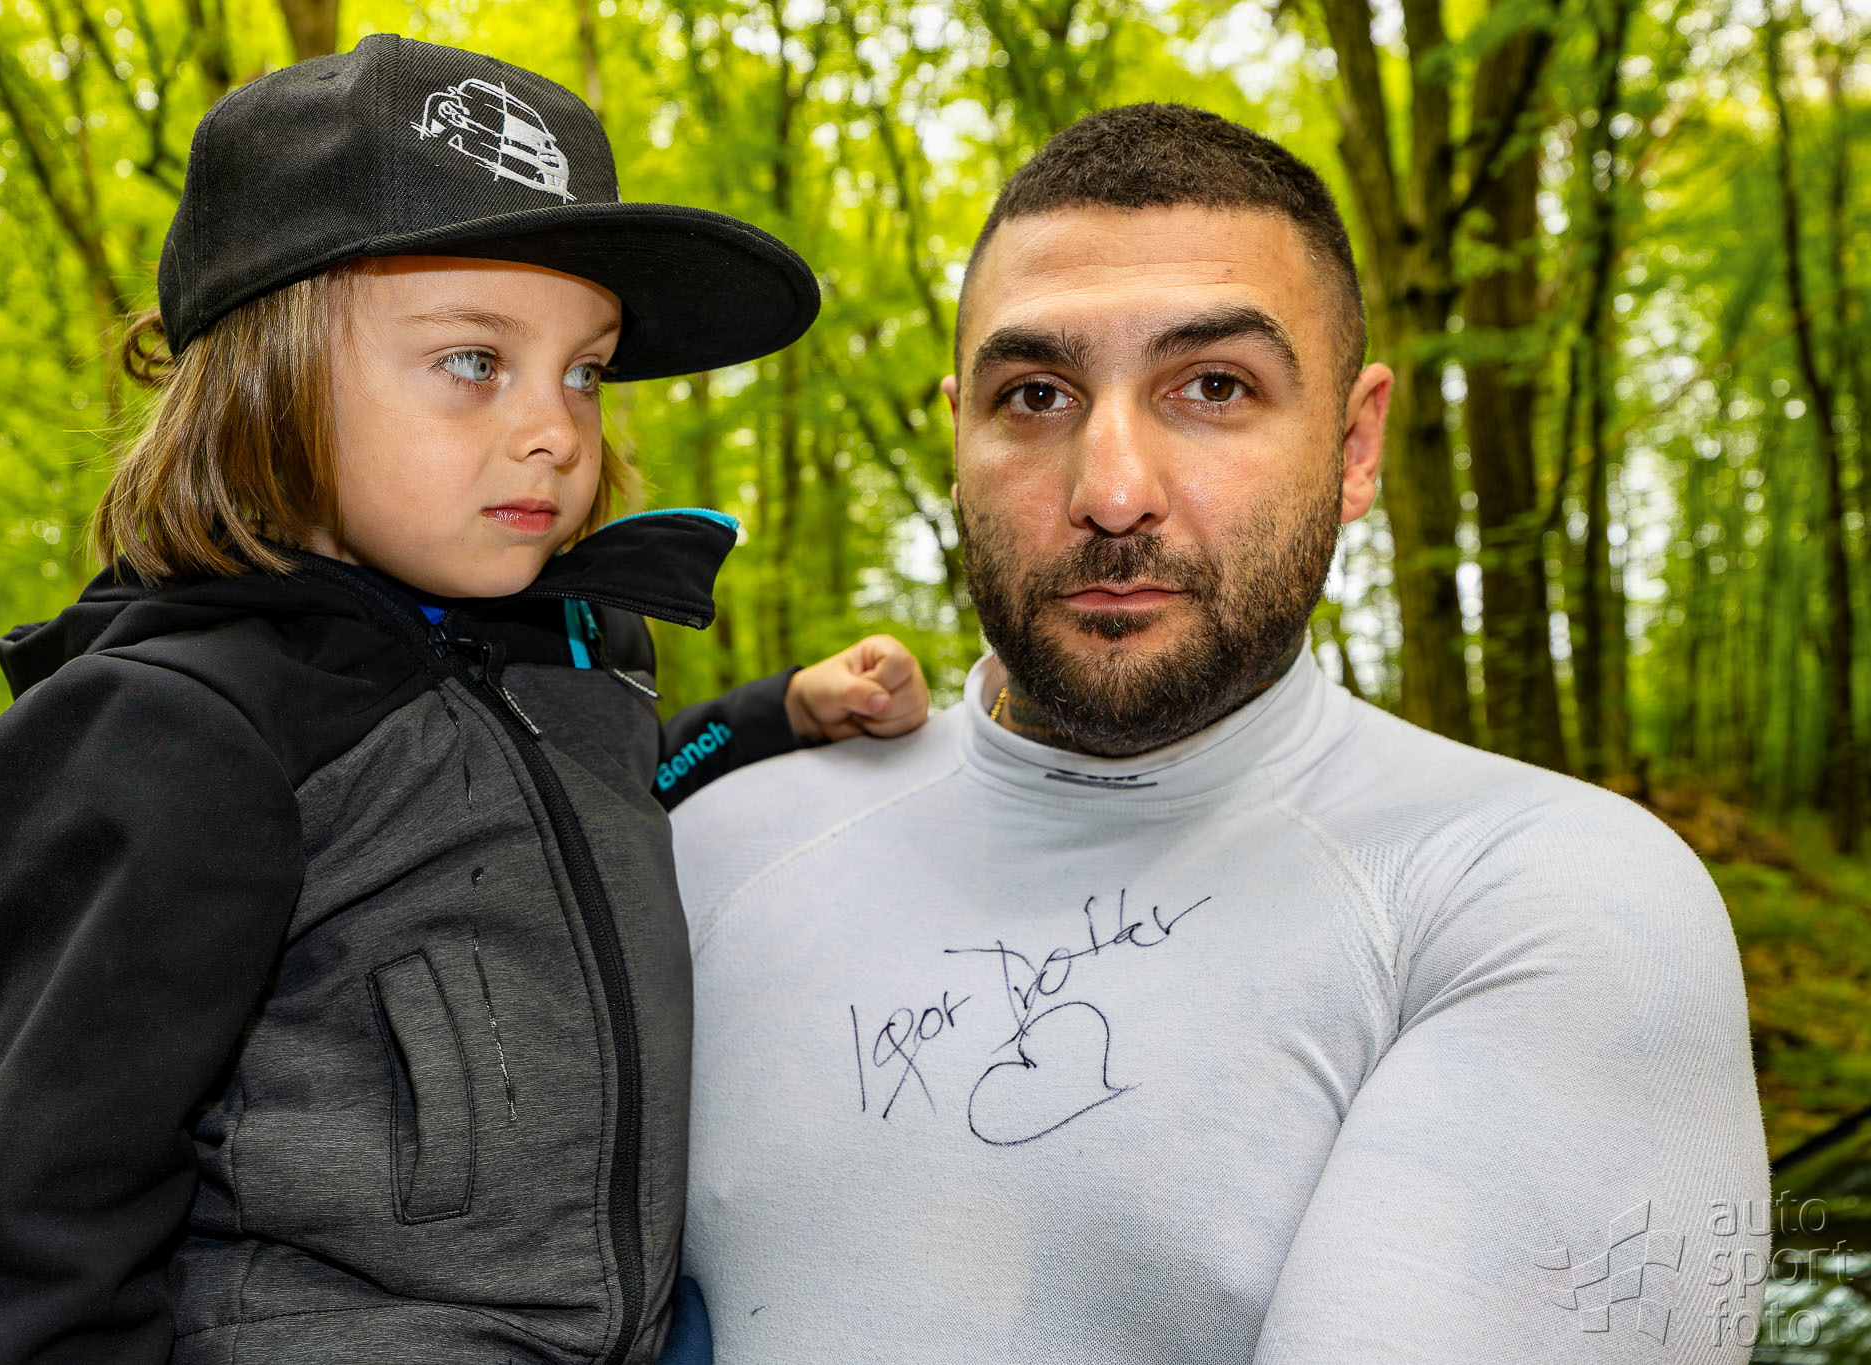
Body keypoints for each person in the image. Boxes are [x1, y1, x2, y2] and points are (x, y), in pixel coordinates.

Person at [672, 104, 1771, 1362]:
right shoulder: (704, 851)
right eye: (1034, 395)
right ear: (957, 433)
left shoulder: (1539, 894)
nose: (1110, 493)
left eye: (1211, 387)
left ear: (1353, 444)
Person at [0, 35, 928, 1365]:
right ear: (269, 376)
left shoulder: (570, 663)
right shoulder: (173, 731)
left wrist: (769, 720)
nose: (558, 429)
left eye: (585, 369)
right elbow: (42, 1256)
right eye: (474, 360)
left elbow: (617, 792)